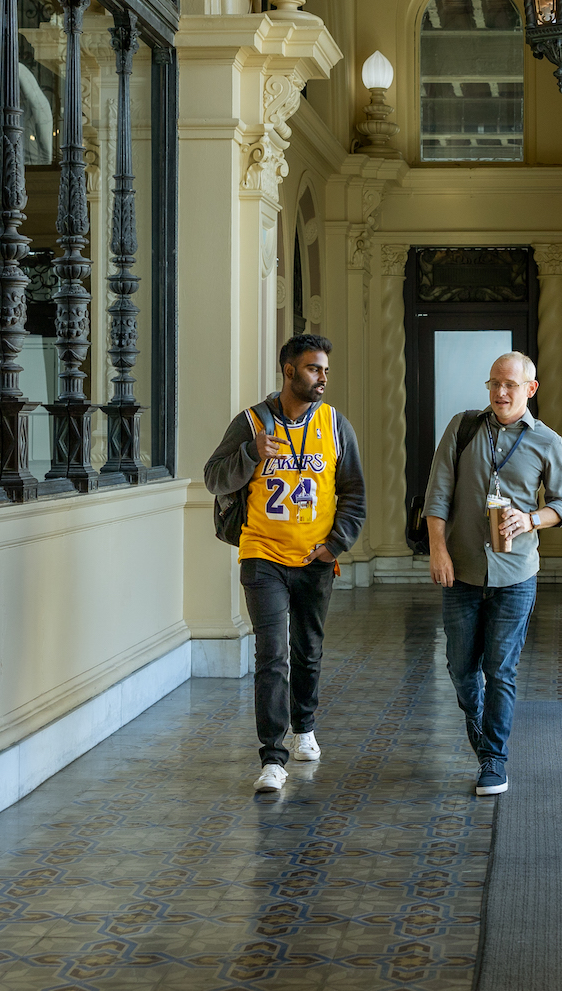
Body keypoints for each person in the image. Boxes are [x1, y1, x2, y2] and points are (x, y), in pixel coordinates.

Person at [205, 334, 367, 793]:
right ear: (289, 370)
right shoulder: (251, 422)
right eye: (314, 369)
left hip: (315, 558)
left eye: (326, 371)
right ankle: (272, 758)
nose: (323, 378)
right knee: (272, 655)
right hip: (262, 556)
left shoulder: (336, 425)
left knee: (308, 651)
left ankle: (304, 728)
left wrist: (335, 545)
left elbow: (353, 493)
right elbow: (214, 477)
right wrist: (252, 452)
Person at [423, 351, 562, 796]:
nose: (501, 392)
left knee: (501, 670)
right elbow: (438, 495)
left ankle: (494, 759)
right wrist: (438, 552)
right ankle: (479, 723)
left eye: (510, 384)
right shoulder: (463, 427)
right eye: (494, 383)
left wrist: (530, 519)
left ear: (531, 389)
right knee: (460, 668)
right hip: (462, 569)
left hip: (517, 574)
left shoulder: (548, 442)